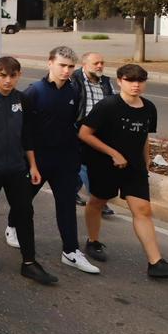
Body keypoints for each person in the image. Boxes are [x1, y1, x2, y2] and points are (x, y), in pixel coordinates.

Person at [80, 64, 168, 278]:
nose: (136, 85)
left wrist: (145, 163)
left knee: (143, 211)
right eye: (130, 80)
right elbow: (84, 134)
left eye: (140, 81)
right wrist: (113, 153)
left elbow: (144, 137)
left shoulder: (149, 108)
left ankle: (156, 263)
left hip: (134, 168)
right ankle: (93, 241)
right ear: (120, 81)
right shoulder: (108, 105)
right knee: (98, 202)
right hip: (104, 165)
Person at [0, 57, 56, 285]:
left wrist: (33, 165)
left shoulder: (23, 99)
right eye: (3, 75)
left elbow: (27, 135)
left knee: (24, 211)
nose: (8, 80)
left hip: (17, 168)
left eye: (13, 75)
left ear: (19, 75)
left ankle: (29, 262)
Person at [26, 46, 98, 275]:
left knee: (66, 204)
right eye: (62, 65)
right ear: (50, 63)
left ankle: (71, 251)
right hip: (38, 158)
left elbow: (74, 123)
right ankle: (12, 226)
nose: (66, 71)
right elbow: (24, 130)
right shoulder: (34, 91)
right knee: (23, 200)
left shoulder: (74, 91)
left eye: (70, 67)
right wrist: (31, 162)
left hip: (65, 158)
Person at [73, 52, 115, 213]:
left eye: (102, 63)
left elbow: (113, 101)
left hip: (101, 130)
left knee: (82, 164)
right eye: (96, 63)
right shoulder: (74, 79)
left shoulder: (105, 82)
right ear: (85, 64)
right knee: (85, 164)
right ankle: (99, 200)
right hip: (80, 127)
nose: (100, 66)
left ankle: (73, 191)